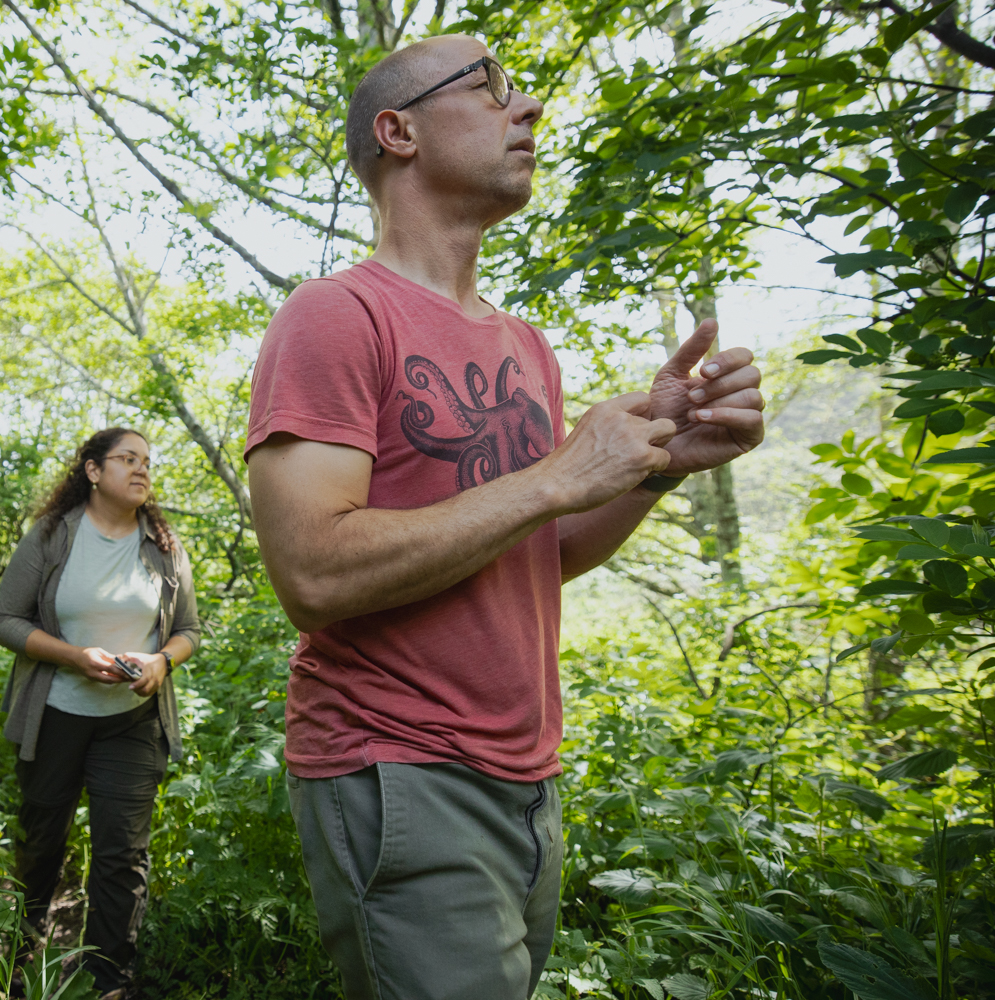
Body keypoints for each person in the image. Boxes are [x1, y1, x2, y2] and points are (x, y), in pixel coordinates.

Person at [245, 35, 765, 1000]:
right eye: (489, 91)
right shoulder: (333, 314)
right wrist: (560, 475)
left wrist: (654, 473)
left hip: (527, 778)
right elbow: (311, 574)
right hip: (396, 764)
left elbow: (530, 552)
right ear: (395, 132)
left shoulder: (522, 341)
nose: (525, 110)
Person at [0, 427, 200, 999]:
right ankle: (16, 968)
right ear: (92, 470)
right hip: (54, 715)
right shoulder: (53, 536)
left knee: (121, 855)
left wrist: (161, 662)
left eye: (147, 462)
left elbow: (188, 631)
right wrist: (73, 657)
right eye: (127, 459)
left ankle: (109, 983)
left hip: (132, 722)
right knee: (40, 843)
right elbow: (3, 620)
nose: (142, 470)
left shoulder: (163, 543)